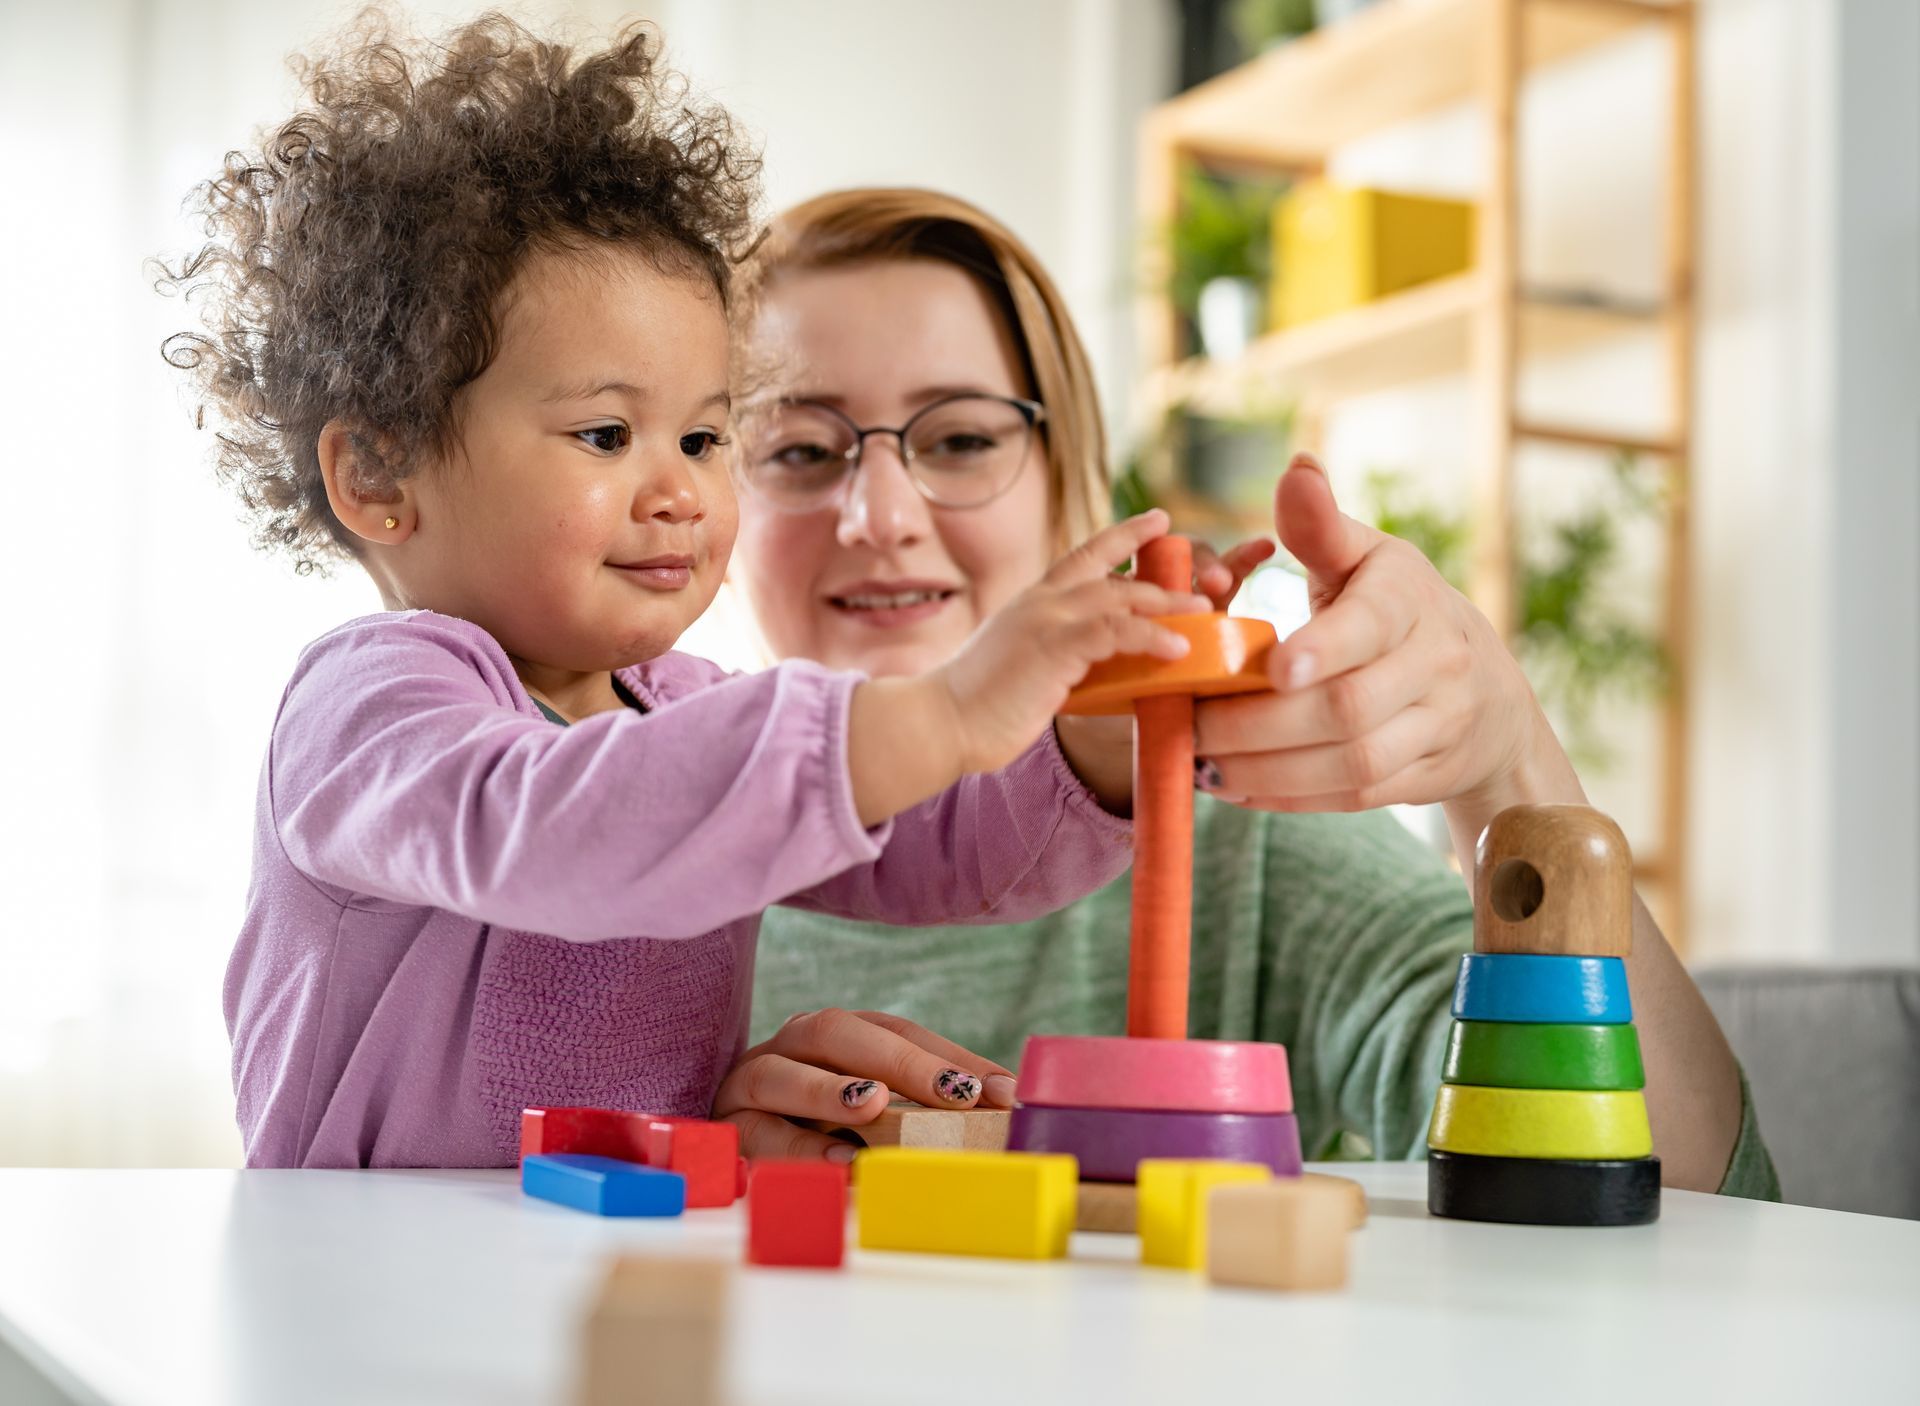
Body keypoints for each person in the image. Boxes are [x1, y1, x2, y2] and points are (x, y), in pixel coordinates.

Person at [158, 17, 1217, 1168]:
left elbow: (934, 842)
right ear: (376, 474)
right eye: (607, 433)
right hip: (371, 1278)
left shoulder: (687, 708)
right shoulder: (370, 707)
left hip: (624, 1263)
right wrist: (947, 710)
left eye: (709, 436)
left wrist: (1090, 743)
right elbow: (558, 823)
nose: (682, 491)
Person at [730, 188, 1778, 1198]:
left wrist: (1508, 767)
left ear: (1066, 479)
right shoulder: (612, 836)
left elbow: (1678, 1199)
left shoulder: (1239, 839)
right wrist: (670, 1146)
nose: (881, 514)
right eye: (800, 448)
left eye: (960, 438)